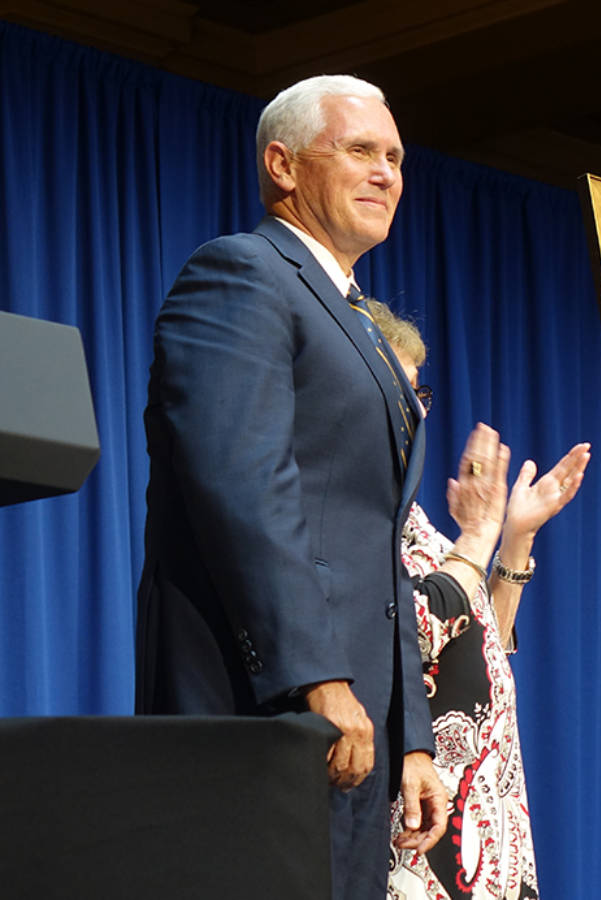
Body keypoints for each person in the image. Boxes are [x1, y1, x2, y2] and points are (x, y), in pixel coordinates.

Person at [136, 75, 444, 900]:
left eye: (395, 157)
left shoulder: (359, 324)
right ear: (283, 164)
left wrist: (410, 734)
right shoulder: (242, 275)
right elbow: (245, 488)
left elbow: (379, 547)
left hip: (350, 727)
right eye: (360, 151)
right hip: (264, 707)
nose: (386, 173)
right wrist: (318, 679)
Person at [371, 301, 589, 899]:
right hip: (416, 829)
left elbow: (477, 637)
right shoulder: (348, 516)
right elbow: (408, 633)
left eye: (420, 393)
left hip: (488, 821)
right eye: (394, 389)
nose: (413, 410)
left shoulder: (417, 524)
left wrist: (515, 539)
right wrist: (477, 537)